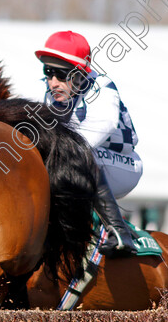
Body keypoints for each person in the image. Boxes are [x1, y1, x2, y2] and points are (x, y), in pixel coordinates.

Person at [35, 30, 142, 257]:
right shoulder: (52, 94)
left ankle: (119, 233)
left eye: (61, 74)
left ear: (80, 73)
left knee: (77, 155)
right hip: (89, 162)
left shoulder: (102, 87)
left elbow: (100, 129)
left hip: (122, 166)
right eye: (48, 72)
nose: (53, 82)